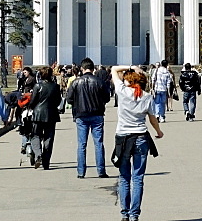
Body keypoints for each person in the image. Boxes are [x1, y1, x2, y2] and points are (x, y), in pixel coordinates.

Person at [111, 66, 163, 221]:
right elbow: (152, 118)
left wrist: (131, 67)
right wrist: (159, 131)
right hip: (140, 138)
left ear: (129, 81)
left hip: (123, 139)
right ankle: (134, 215)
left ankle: (124, 213)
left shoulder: (122, 92)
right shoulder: (147, 97)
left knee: (124, 177)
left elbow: (113, 69)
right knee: (138, 177)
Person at [66, 57, 110, 179]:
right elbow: (106, 97)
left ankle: (81, 172)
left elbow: (69, 99)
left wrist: (77, 103)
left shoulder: (76, 82)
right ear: (93, 68)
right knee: (98, 143)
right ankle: (101, 171)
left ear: (82, 68)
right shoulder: (99, 81)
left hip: (81, 115)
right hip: (97, 114)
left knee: (81, 144)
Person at [28, 66, 62, 169]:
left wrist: (30, 107)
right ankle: (46, 162)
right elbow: (58, 101)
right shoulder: (55, 86)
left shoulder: (37, 86)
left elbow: (33, 100)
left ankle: (38, 155)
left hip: (38, 114)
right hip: (51, 114)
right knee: (49, 138)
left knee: (35, 135)